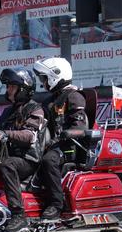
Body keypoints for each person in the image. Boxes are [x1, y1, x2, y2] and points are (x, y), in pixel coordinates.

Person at [0, 67, 45, 232]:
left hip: (28, 159)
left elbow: (29, 135)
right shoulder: (9, 111)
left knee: (7, 164)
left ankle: (18, 215)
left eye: (12, 87)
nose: (8, 90)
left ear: (24, 89)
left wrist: (5, 133)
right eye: (8, 87)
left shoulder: (35, 109)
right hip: (12, 155)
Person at [33, 57, 88, 221]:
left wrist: (65, 134)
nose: (43, 83)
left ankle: (57, 204)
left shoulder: (74, 96)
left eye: (44, 78)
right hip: (52, 144)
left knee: (49, 160)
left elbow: (81, 127)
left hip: (70, 147)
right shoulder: (50, 100)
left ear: (55, 75)